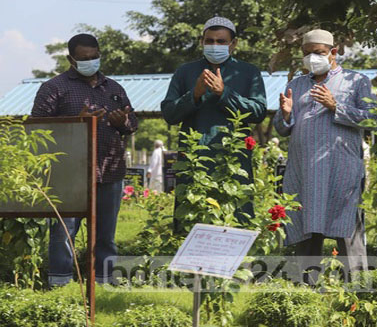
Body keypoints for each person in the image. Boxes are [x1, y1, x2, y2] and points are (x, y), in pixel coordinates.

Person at [31, 33, 138, 286]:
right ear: (71, 59)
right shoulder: (54, 88)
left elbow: (132, 123)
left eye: (95, 57)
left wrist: (122, 122)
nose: (91, 62)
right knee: (63, 233)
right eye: (84, 59)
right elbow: (36, 130)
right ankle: (60, 283)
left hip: (109, 173)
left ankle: (104, 282)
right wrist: (74, 123)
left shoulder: (114, 88)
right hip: (69, 174)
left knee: (105, 235)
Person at [272, 29, 377, 279]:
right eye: (307, 54)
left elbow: (374, 120)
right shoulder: (295, 84)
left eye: (318, 53)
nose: (312, 58)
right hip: (304, 171)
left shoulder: (357, 81)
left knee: (347, 228)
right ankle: (306, 288)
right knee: (306, 227)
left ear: (333, 52)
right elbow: (281, 127)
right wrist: (286, 115)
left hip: (341, 170)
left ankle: (357, 287)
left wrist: (335, 106)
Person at [161, 16, 267, 230]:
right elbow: (169, 113)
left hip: (233, 161)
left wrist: (224, 93)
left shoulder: (248, 73)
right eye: (209, 41)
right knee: (191, 217)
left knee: (235, 217)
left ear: (233, 44)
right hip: (194, 160)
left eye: (221, 41)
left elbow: (258, 111)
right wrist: (195, 95)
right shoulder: (185, 72)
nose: (214, 46)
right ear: (201, 42)